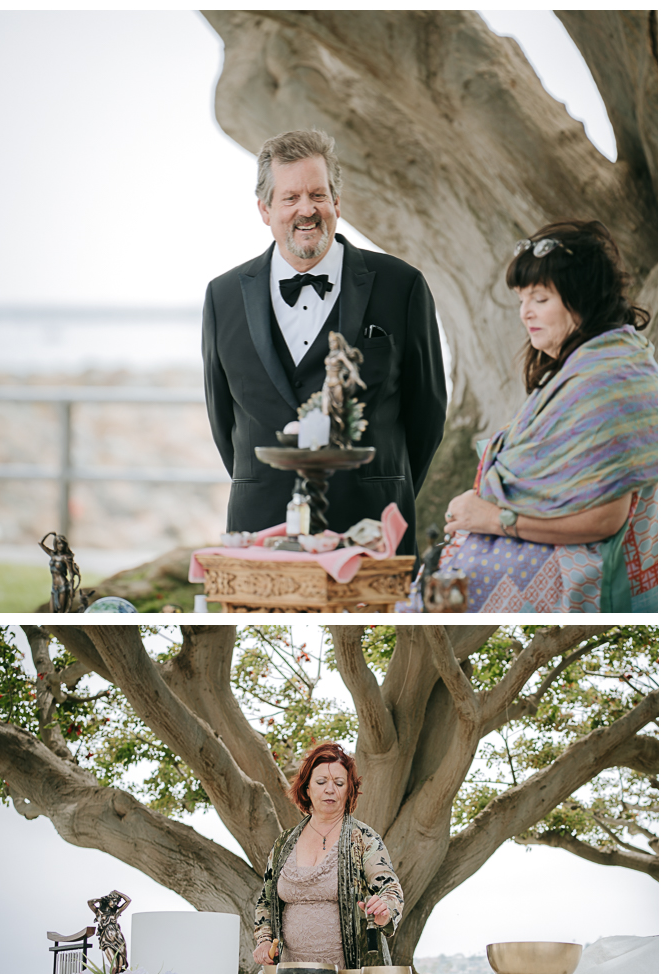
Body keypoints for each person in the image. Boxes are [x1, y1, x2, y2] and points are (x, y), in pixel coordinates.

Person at [202, 129, 446, 556]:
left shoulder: (401, 285)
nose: (307, 209)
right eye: (290, 198)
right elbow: (223, 421)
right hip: (260, 526)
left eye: (318, 194)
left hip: (373, 527)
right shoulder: (222, 297)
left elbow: (428, 412)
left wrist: (388, 488)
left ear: (337, 201)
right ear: (265, 209)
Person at [440, 220, 657, 612]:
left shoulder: (606, 380)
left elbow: (606, 518)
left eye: (540, 299)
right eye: (522, 299)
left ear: (582, 299)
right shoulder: (587, 367)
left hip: (574, 580)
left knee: (430, 609)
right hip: (511, 554)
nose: (526, 313)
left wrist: (493, 519)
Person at [252, 742, 403, 971]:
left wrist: (385, 909)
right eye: (321, 782)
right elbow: (266, 901)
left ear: (349, 790)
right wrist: (264, 940)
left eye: (339, 783)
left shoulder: (362, 838)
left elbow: (390, 889)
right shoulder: (283, 844)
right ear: (307, 789)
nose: (330, 789)